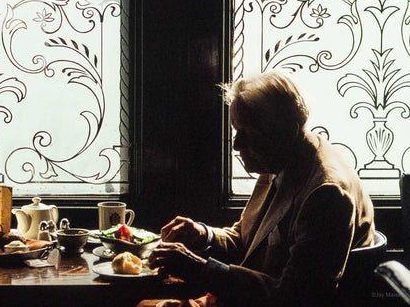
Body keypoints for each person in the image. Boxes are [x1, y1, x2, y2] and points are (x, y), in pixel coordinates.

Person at [144, 70, 375, 307]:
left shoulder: (326, 194)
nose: (236, 145)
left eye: (247, 132)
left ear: (289, 129)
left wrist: (201, 269)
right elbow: (248, 241)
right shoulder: (282, 158)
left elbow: (296, 297)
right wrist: (203, 235)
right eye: (235, 130)